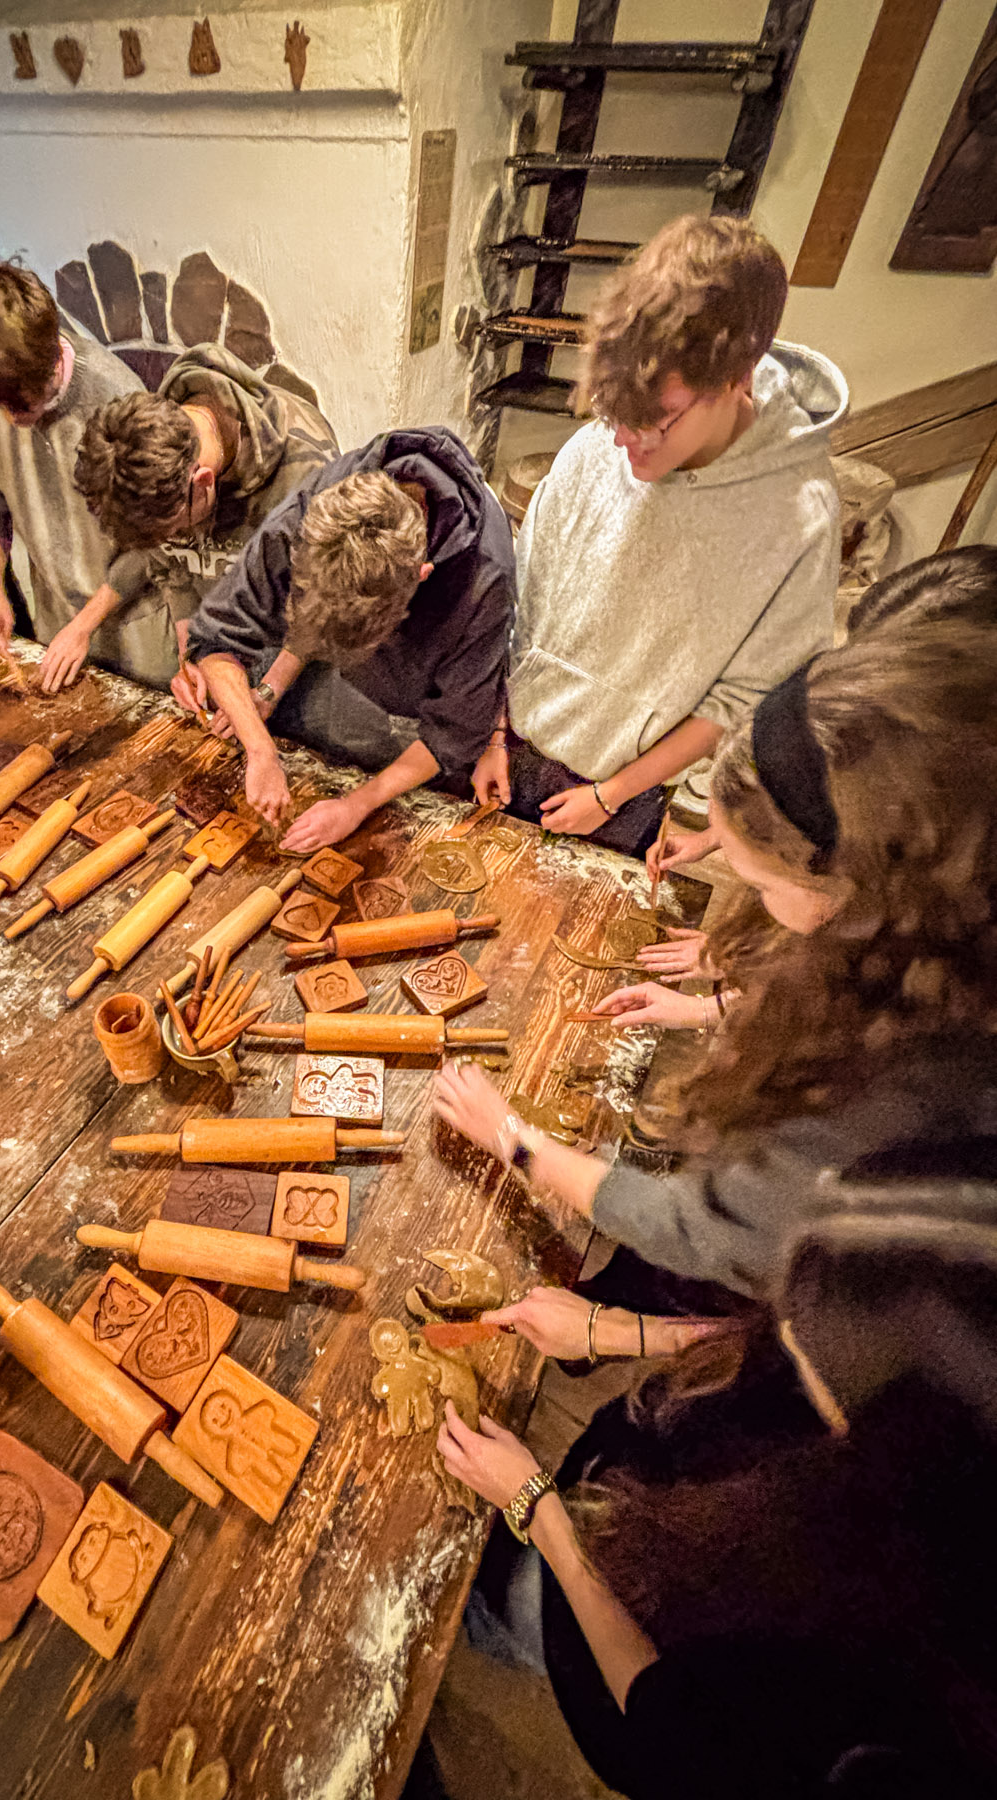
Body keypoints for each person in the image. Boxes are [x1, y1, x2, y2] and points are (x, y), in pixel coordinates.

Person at [434, 616, 997, 1302]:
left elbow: (698, 1230)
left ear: (854, 896)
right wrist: (707, 1006)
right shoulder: (940, 915)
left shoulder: (888, 1096)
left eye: (756, 884)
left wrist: (515, 1140)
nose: (743, 900)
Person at [413, 1184, 997, 1800]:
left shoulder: (880, 1712)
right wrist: (614, 1330)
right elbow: (773, 1340)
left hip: (631, 1636)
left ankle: (496, 1624)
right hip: (640, 1502)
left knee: (520, 1600)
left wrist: (538, 1507)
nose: (782, 1336)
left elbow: (665, 1725)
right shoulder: (908, 1389)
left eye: (804, 1359)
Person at [476, 215, 843, 858]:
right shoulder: (596, 450)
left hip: (621, 794)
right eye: (614, 413)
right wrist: (495, 732)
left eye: (658, 421)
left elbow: (741, 697)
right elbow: (520, 609)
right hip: (507, 751)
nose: (623, 441)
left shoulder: (799, 520)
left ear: (741, 375)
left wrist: (613, 792)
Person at [620, 546, 997, 1029]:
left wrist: (708, 1008)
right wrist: (724, 837)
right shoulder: (874, 827)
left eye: (760, 885)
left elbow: (839, 988)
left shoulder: (935, 943)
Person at [182, 429, 515, 854]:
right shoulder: (313, 510)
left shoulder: (484, 580)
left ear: (420, 575)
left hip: (416, 719)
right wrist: (261, 738)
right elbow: (215, 638)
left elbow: (452, 734)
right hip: (345, 694)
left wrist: (357, 805)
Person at [0, 262, 174, 682]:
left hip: (138, 623)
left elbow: (155, 539)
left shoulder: (115, 397)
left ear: (50, 361)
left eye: (24, 406)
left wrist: (84, 625)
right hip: (55, 620)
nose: (10, 422)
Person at [56, 344, 339, 696]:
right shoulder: (154, 453)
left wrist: (267, 690)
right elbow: (172, 567)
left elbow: (321, 600)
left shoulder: (307, 472)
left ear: (203, 481)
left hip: (296, 658)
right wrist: (190, 654)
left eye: (176, 528)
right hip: (227, 647)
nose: (173, 538)